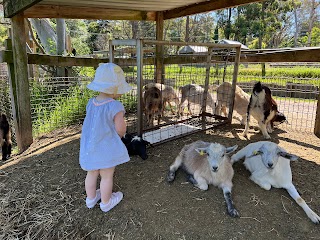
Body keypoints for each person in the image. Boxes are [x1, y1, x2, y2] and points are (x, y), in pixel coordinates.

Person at [79, 62, 132, 212]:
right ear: (115, 88)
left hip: (91, 146)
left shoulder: (91, 103)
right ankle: (106, 202)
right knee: (106, 175)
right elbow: (120, 128)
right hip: (106, 148)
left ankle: (90, 199)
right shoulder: (115, 106)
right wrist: (119, 137)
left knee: (92, 172)